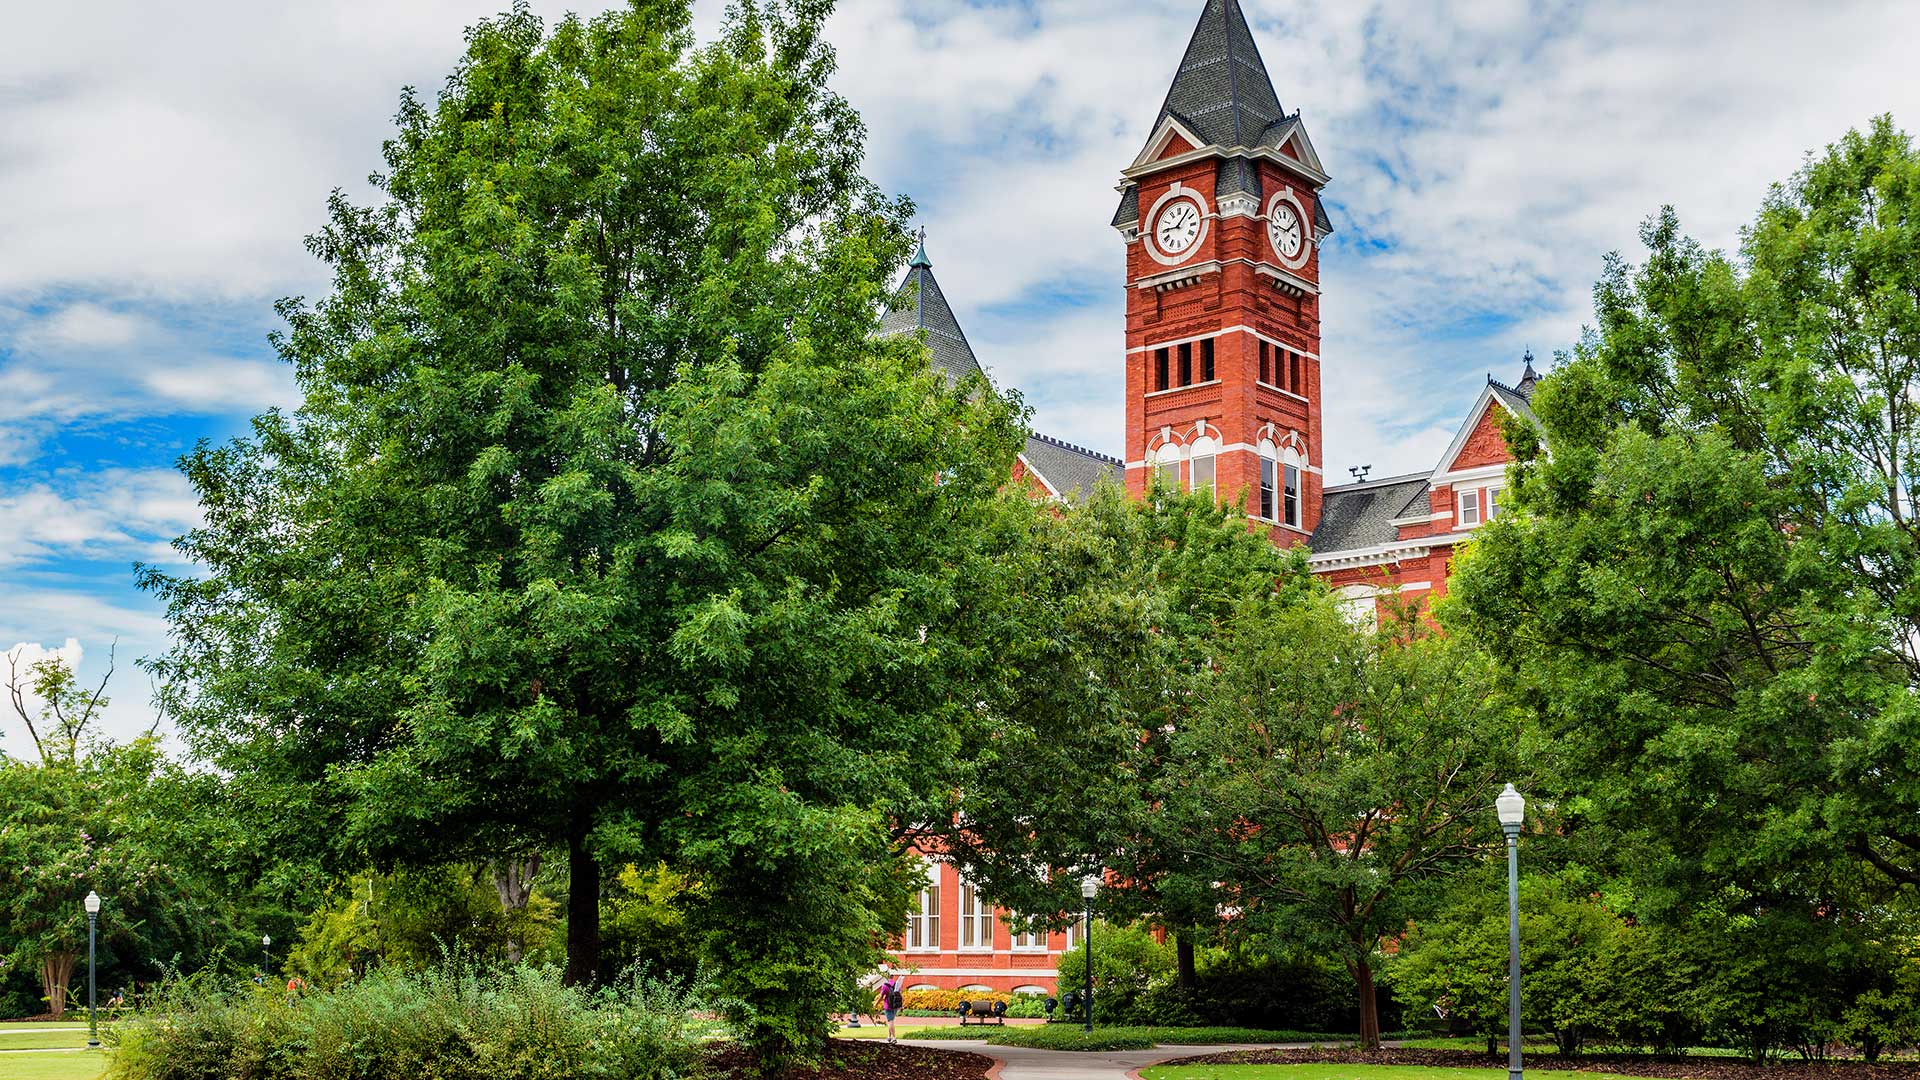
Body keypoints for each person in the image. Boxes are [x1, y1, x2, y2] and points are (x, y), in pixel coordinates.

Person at [874, 971, 904, 1045]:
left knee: (890, 1022)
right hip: (895, 1006)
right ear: (892, 976)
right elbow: (899, 995)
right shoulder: (896, 984)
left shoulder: (885, 985)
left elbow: (881, 996)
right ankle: (889, 1036)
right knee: (891, 1021)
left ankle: (894, 1038)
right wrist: (901, 1006)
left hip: (888, 1006)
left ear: (886, 977)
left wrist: (875, 1004)